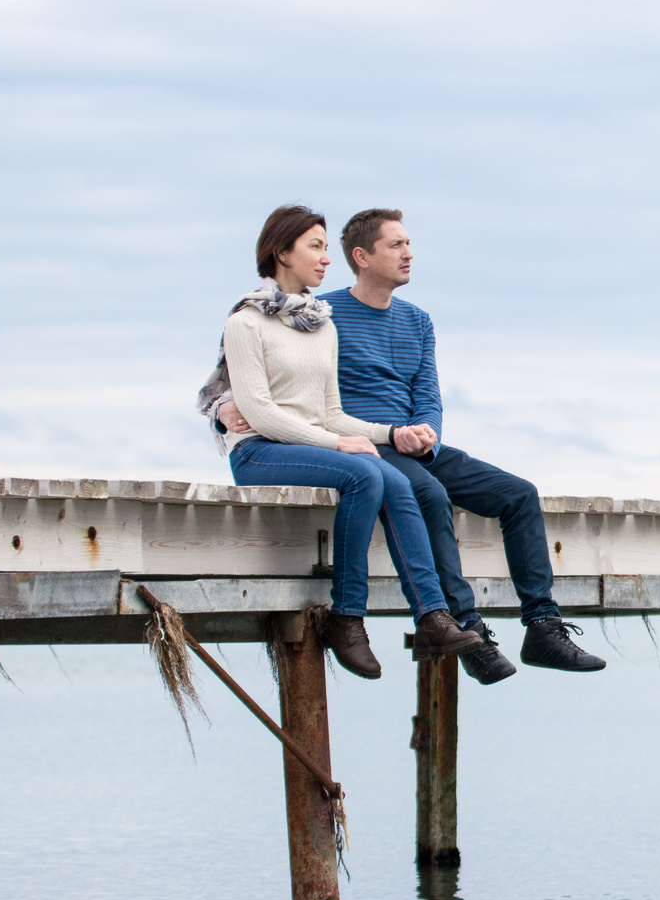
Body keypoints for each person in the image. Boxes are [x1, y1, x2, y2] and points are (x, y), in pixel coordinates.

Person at [219, 207, 605, 682]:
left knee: (519, 493)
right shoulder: (313, 314)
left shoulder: (375, 321)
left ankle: (543, 627)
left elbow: (426, 393)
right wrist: (222, 410)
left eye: (409, 243)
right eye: (397, 244)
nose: (409, 253)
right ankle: (466, 630)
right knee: (427, 494)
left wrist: (424, 432)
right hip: (358, 444)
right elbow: (245, 387)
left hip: (406, 445)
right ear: (362, 257)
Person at [199, 205, 482, 679]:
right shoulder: (246, 323)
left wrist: (388, 434)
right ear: (281, 253)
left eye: (327, 248)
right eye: (315, 247)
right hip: (259, 451)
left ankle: (433, 617)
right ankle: (347, 617)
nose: (327, 259)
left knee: (397, 480)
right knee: (365, 473)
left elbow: (331, 412)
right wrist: (337, 443)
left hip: (310, 444)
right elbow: (261, 413)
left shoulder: (320, 323)